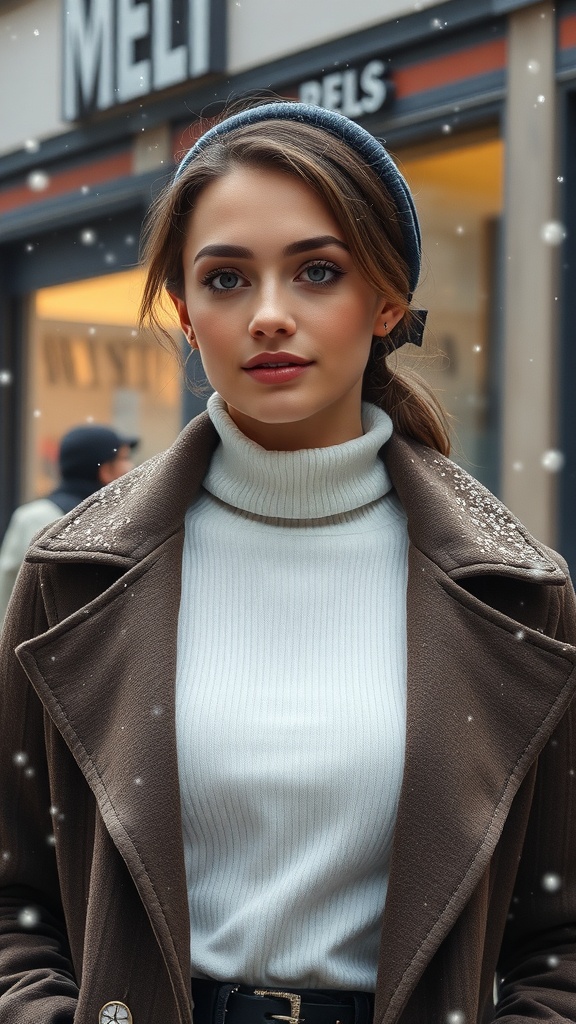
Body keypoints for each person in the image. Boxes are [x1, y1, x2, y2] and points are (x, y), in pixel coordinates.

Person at [0, 100, 575, 1024]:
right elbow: (15, 904)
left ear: (387, 300)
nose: (269, 316)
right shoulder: (71, 574)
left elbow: (558, 941)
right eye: (226, 279)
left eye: (316, 271)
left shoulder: (516, 590)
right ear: (186, 315)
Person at [0, 424, 138, 628]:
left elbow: (7, 593)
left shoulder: (31, 516)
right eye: (124, 459)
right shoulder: (120, 522)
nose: (132, 467)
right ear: (106, 471)